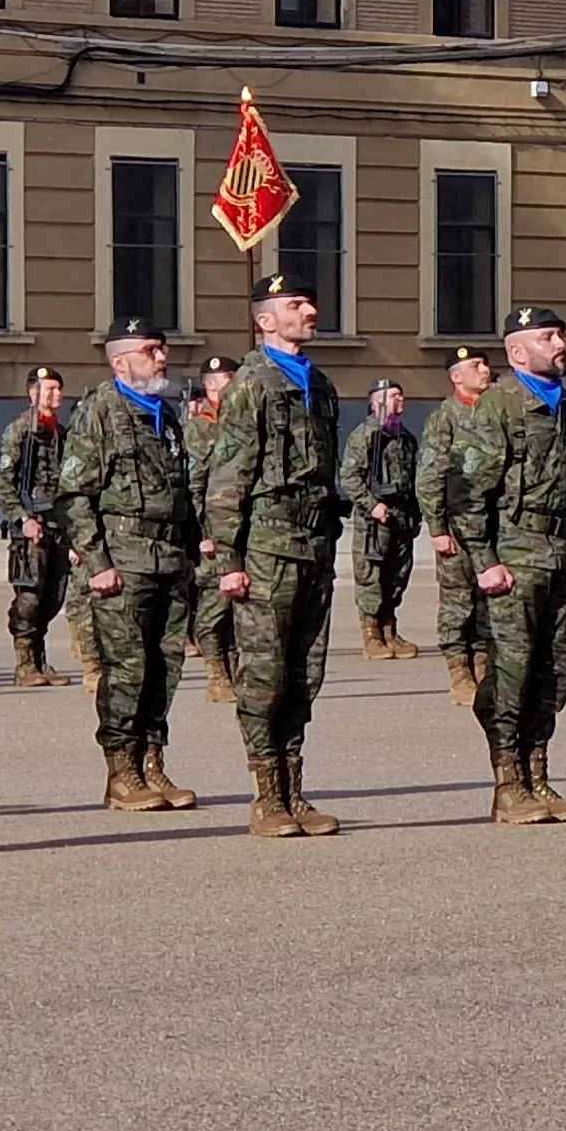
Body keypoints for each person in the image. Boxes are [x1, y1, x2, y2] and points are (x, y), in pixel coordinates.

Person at [202, 270, 348, 837]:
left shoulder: (321, 385)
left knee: (305, 672)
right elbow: (228, 479)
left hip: (314, 545)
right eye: (295, 305)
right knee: (264, 673)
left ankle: (294, 790)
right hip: (266, 549)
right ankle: (267, 796)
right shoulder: (251, 385)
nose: (309, 311)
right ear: (265, 320)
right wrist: (229, 563)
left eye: (310, 303)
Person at [443, 308, 566, 825]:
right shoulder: (500, 405)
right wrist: (484, 561)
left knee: (557, 668)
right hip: (514, 554)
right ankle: (508, 784)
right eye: (547, 337)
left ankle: (538, 775)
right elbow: (466, 490)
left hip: (557, 553)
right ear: (517, 351)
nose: (560, 343)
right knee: (511, 672)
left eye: (559, 335)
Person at [57, 317, 199, 815]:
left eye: (162, 348)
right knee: (126, 669)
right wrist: (96, 561)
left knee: (165, 667)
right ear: (120, 362)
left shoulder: (165, 415)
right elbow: (74, 494)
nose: (162, 357)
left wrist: (193, 553)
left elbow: (182, 492)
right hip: (123, 558)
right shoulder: (100, 411)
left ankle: (151, 763)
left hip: (168, 558)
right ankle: (121, 773)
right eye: (150, 350)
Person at [416, 345, 496, 707]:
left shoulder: (495, 412)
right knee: (458, 603)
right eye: (476, 365)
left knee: (489, 602)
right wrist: (437, 528)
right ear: (456, 376)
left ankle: (484, 669)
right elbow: (430, 476)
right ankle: (459, 673)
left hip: (491, 525)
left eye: (485, 364)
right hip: (458, 526)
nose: (485, 369)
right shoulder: (445, 418)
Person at [0, 364, 73, 686]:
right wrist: (22, 518)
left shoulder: (61, 434)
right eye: (48, 389)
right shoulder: (19, 431)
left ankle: (41, 660)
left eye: (58, 389)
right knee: (29, 597)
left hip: (57, 527)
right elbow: (3, 482)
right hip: (30, 529)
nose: (55, 395)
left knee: (54, 596)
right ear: (32, 394)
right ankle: (25, 663)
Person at [340, 378, 422, 660]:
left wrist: (415, 514)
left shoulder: (405, 438)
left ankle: (389, 629)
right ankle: (371, 634)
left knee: (397, 575)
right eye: (393, 396)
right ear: (377, 403)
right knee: (371, 575)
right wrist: (371, 505)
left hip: (401, 517)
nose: (400, 400)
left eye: (401, 395)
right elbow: (350, 478)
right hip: (374, 521)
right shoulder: (365, 435)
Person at [186, 354, 239, 706]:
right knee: (213, 607)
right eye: (226, 381)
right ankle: (216, 675)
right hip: (212, 530)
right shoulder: (199, 428)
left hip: (240, 528)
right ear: (209, 387)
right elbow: (194, 485)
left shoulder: (240, 421)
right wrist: (201, 532)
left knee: (237, 607)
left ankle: (234, 672)